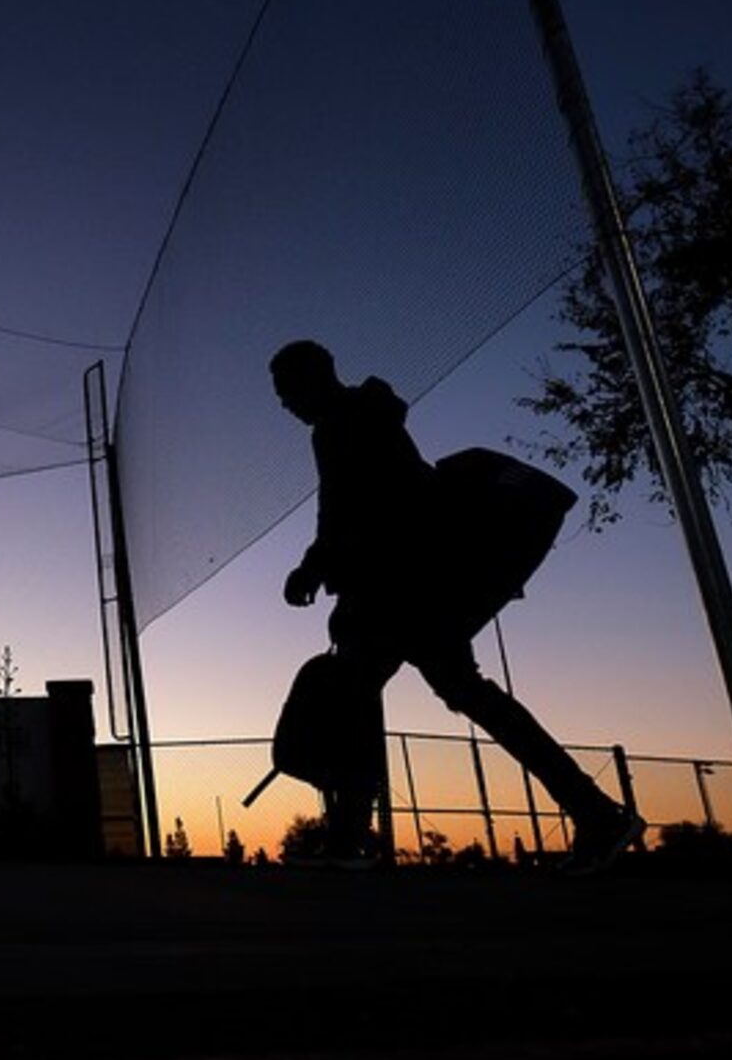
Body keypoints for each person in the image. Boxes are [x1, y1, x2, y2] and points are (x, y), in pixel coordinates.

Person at [270, 338, 644, 873]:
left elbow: (364, 508)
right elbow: (357, 508)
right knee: (433, 689)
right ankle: (596, 812)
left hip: (412, 584)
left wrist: (318, 568)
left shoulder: (343, 425)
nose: (285, 404)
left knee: (371, 683)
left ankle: (350, 839)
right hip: (419, 581)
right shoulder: (353, 420)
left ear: (316, 377)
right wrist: (326, 566)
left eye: (288, 390)